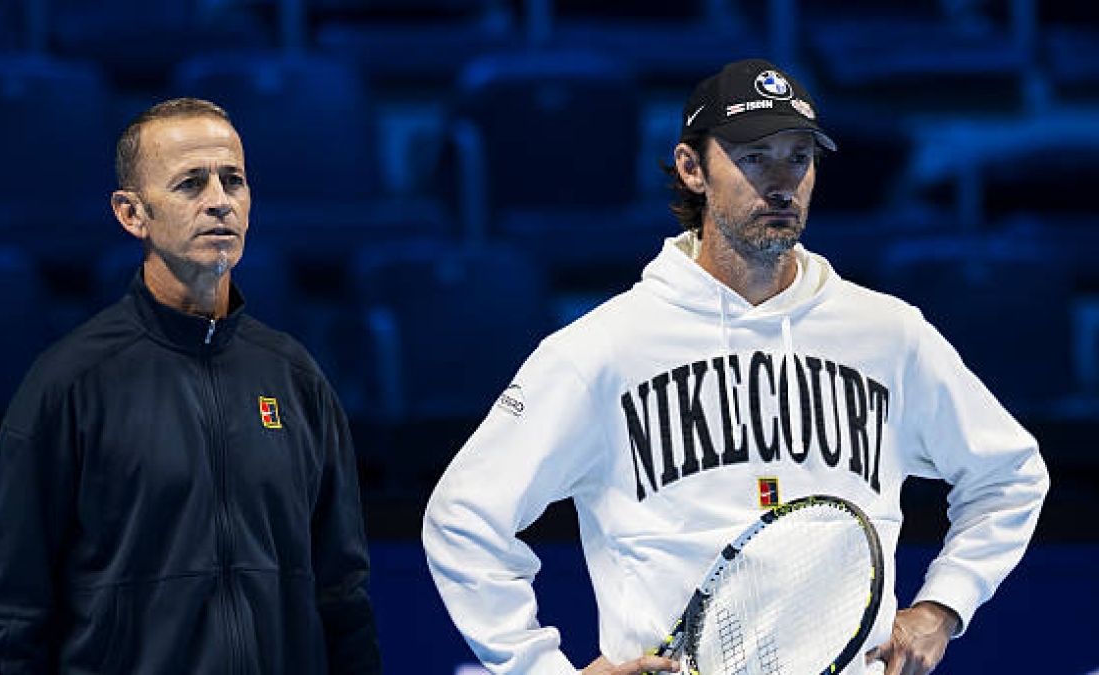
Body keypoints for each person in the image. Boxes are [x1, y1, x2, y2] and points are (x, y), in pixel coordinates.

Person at [422, 59, 1049, 675]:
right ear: (693, 168)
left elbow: (1011, 475)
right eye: (755, 158)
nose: (782, 182)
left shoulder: (888, 336)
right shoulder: (602, 350)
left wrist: (942, 607)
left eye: (798, 159)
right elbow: (464, 519)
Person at [0, 98, 381, 673]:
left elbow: (343, 600)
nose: (219, 200)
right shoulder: (68, 385)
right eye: (191, 183)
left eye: (233, 180)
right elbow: (12, 618)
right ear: (131, 214)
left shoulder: (296, 379)